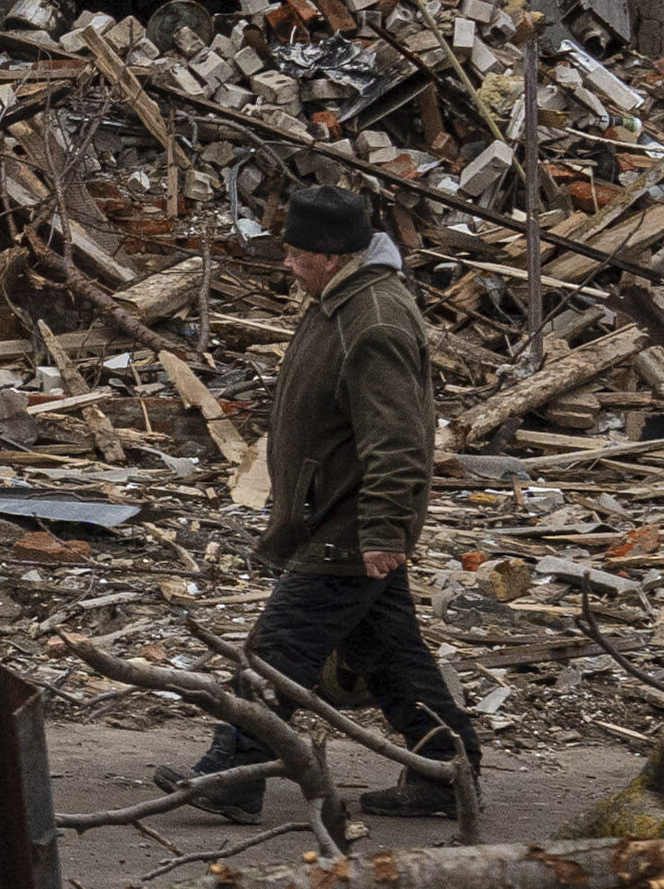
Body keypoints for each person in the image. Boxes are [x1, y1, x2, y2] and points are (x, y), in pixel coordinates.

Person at [184, 175, 474, 827]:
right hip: (333, 514)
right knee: (392, 656)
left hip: (346, 523)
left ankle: (234, 771)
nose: (286, 265)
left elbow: (399, 437)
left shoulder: (372, 319)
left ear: (335, 255)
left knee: (278, 649)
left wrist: (385, 531)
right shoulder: (340, 300)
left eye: (296, 254)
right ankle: (447, 769)